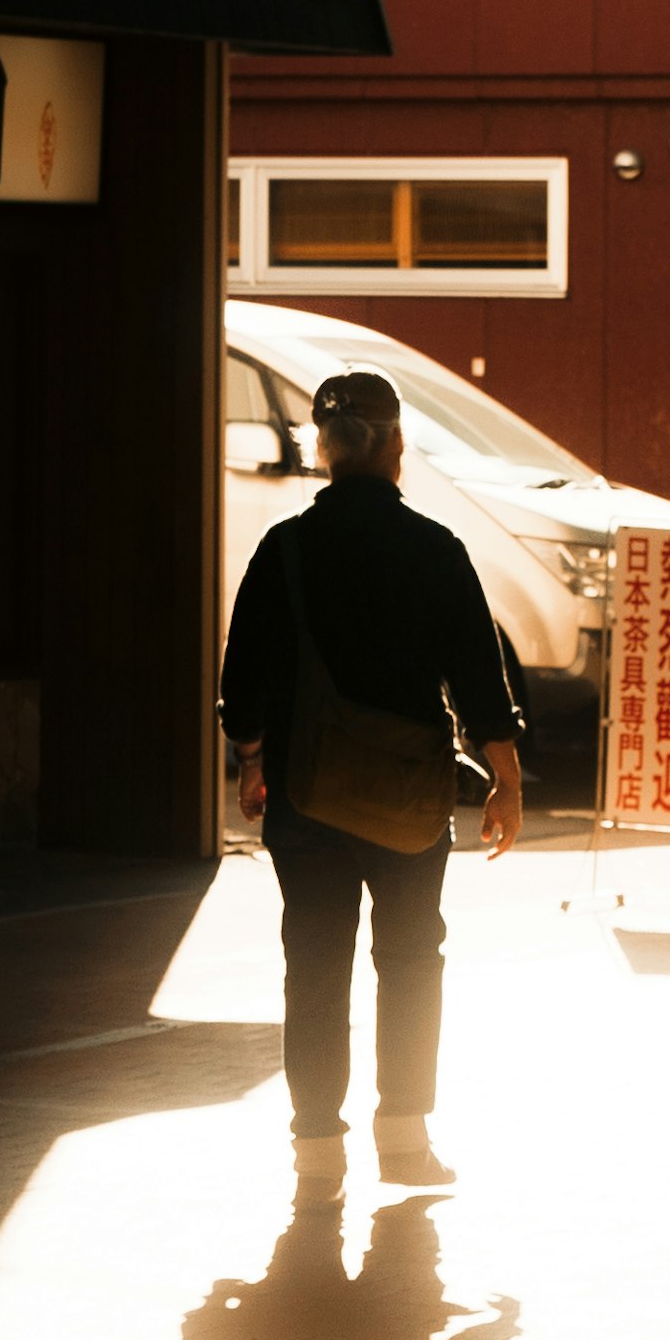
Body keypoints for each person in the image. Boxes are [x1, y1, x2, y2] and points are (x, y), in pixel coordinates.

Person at [220, 365, 525, 1201]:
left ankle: (317, 1159)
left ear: (322, 451)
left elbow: (241, 681)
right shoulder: (434, 550)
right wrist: (505, 779)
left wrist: (253, 760)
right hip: (410, 799)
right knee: (410, 956)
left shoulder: (284, 551)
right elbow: (478, 678)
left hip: (306, 794)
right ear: (394, 445)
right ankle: (404, 1141)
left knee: (314, 964)